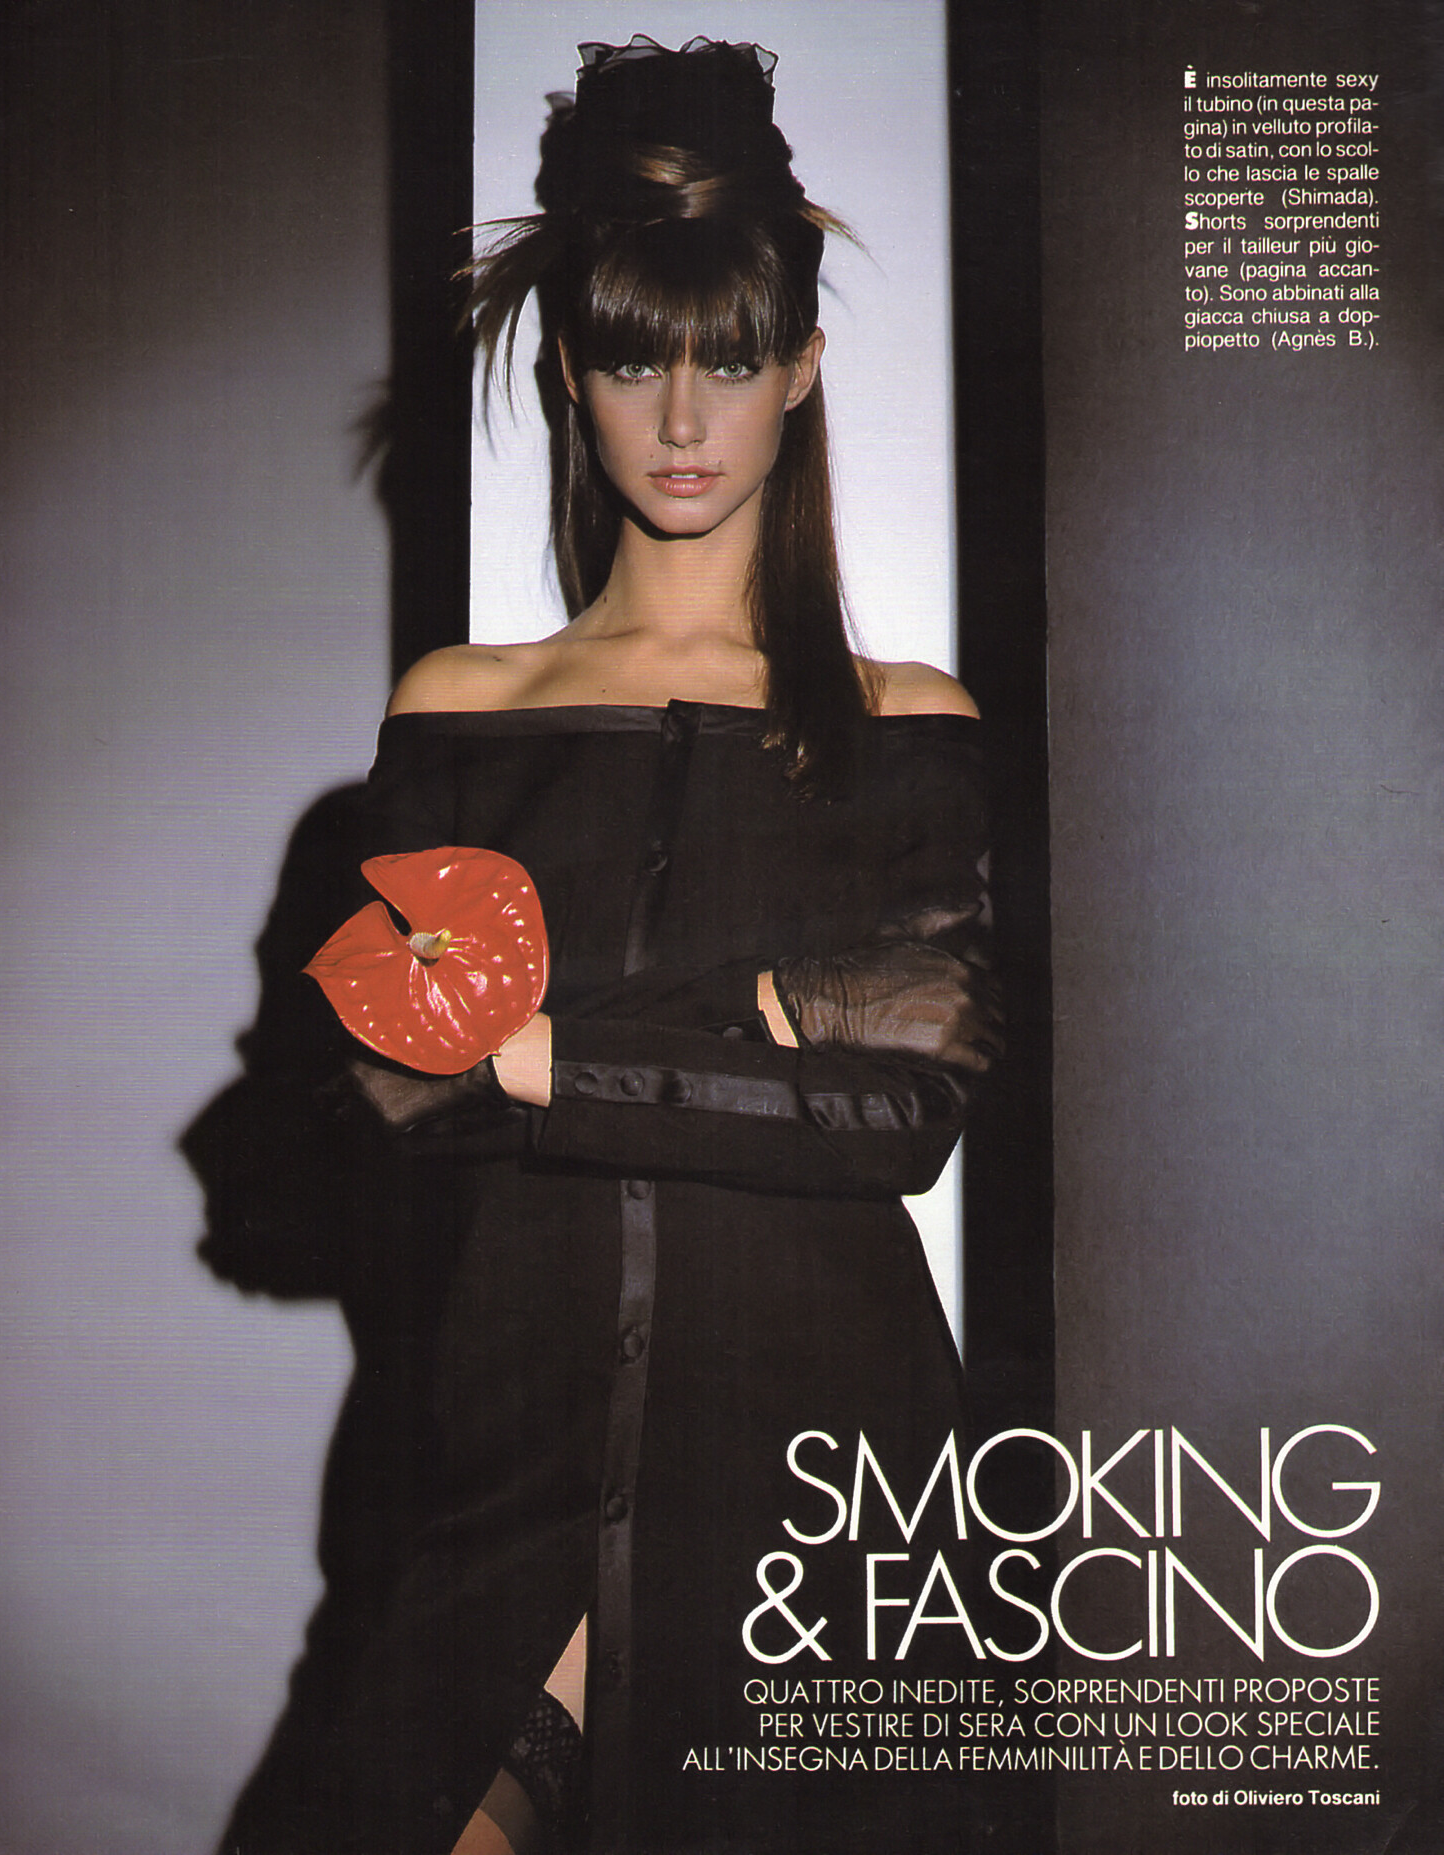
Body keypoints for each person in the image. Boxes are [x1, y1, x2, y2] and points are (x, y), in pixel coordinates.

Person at [210, 35, 1003, 1855]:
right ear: (570, 367)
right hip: (507, 1454)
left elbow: (908, 1110)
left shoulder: (907, 724)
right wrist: (764, 1021)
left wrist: (551, 1047)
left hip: (820, 1479)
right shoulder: (458, 711)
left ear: (803, 369)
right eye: (639, 358)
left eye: (731, 357)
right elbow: (387, 1097)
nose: (685, 417)